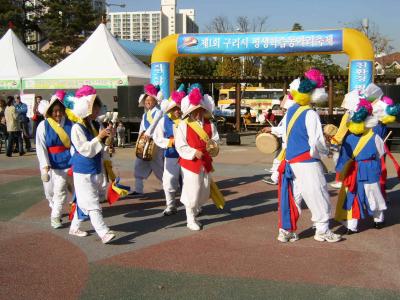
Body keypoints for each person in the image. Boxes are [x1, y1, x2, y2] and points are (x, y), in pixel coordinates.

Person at [277, 68, 341, 243]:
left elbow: (285, 135)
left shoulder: (291, 111)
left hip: (291, 161)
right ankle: (322, 230)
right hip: (307, 161)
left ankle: (286, 230)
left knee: (295, 195)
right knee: (318, 193)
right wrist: (327, 151)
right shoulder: (310, 113)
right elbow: (317, 141)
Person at [69, 85, 115, 244]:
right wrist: (100, 137)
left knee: (86, 201)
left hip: (95, 167)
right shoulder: (76, 128)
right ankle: (104, 232)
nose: (97, 110)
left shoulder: (96, 125)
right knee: (92, 202)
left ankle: (74, 227)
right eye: (94, 107)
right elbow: (84, 149)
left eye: (97, 106)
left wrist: (109, 137)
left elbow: (102, 146)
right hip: (82, 169)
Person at [335, 95, 386, 233]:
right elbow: (381, 153)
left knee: (356, 195)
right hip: (368, 168)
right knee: (367, 195)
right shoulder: (374, 136)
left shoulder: (349, 138)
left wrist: (341, 171)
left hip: (357, 170)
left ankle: (356, 225)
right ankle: (376, 220)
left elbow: (343, 157)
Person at [175, 85, 219, 231]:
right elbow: (180, 145)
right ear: (190, 111)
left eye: (200, 110)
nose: (198, 113)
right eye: (195, 110)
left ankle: (194, 210)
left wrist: (212, 148)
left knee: (204, 190)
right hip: (189, 162)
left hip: (205, 160)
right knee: (192, 190)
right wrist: (194, 152)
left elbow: (215, 140)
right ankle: (190, 218)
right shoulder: (183, 124)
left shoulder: (209, 124)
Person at [35, 91, 79, 230]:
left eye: (60, 111)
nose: (58, 114)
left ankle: (58, 216)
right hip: (52, 163)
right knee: (50, 192)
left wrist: (75, 160)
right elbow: (40, 146)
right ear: (49, 112)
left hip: (69, 161)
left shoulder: (71, 124)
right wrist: (45, 165)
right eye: (54, 111)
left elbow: (74, 143)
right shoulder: (43, 125)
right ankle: (56, 211)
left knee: (73, 188)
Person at [154, 86, 186, 216]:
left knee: (187, 181)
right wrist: (169, 142)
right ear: (171, 109)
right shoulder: (164, 120)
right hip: (171, 155)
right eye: (175, 108)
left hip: (187, 156)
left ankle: (192, 207)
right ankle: (171, 205)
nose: (178, 111)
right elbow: (157, 137)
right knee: (169, 180)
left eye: (180, 108)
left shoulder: (187, 121)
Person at [132, 84, 164, 195]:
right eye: (146, 100)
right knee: (138, 165)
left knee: (158, 166)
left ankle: (169, 187)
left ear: (155, 101)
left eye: (150, 100)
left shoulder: (159, 112)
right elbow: (142, 128)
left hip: (155, 143)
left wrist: (148, 134)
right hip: (144, 142)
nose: (147, 102)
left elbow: (154, 125)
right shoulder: (145, 115)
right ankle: (138, 189)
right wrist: (139, 140)